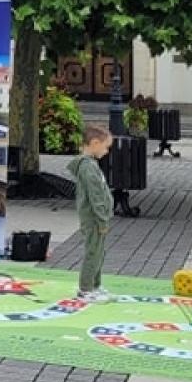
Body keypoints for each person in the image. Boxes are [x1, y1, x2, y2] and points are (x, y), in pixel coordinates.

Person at [68, 124, 114, 303]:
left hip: (96, 218)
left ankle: (95, 285)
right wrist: (102, 220)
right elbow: (96, 197)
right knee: (93, 252)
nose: (107, 151)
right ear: (95, 143)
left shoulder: (90, 165)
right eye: (106, 146)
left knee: (99, 251)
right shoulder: (88, 168)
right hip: (94, 219)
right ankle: (86, 289)